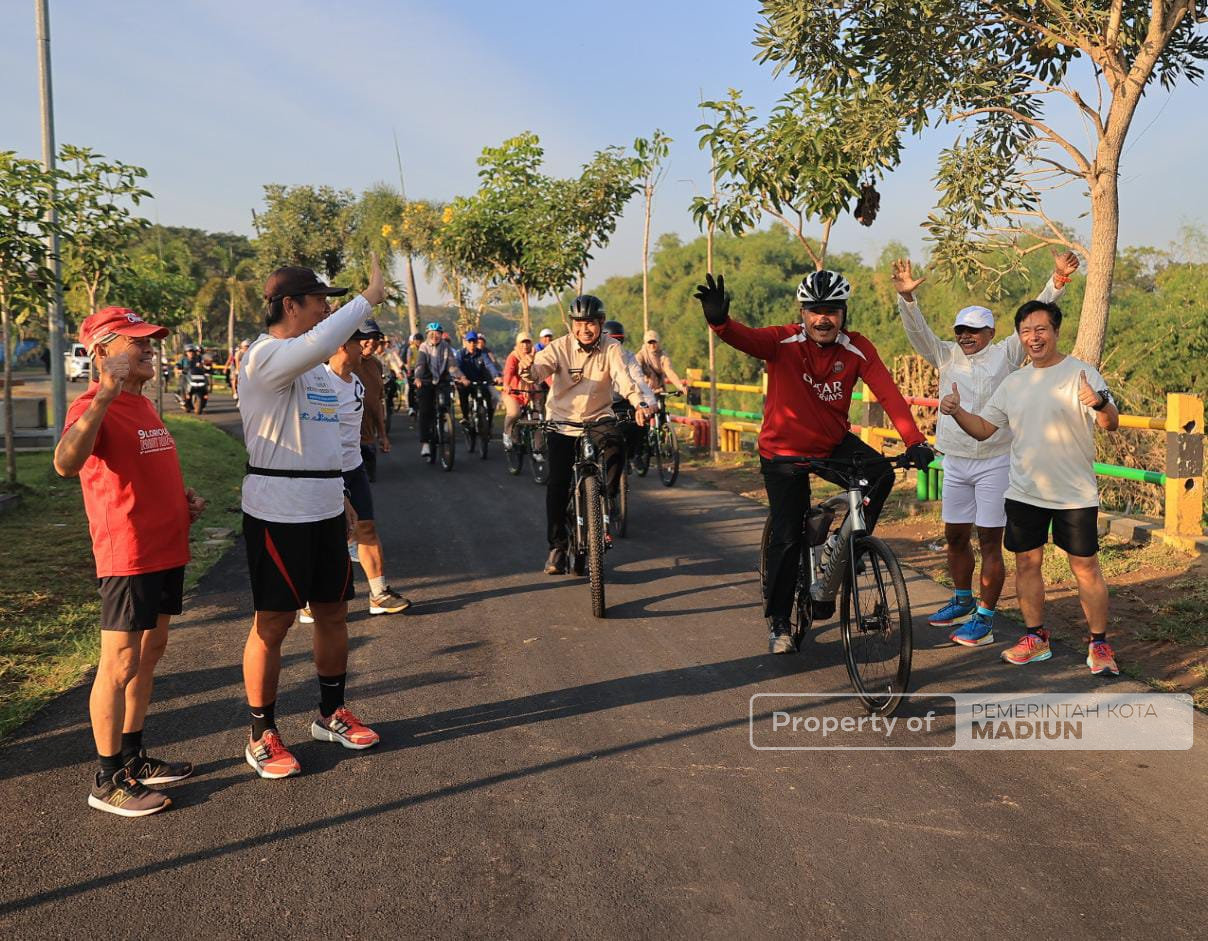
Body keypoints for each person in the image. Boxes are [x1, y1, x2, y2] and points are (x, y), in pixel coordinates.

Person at [696, 271, 933, 654]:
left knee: (880, 474)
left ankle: (848, 544)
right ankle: (779, 620)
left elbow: (888, 393)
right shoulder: (782, 341)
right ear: (803, 313)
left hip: (832, 443)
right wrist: (720, 321)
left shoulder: (856, 348)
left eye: (832, 311)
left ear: (844, 314)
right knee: (788, 537)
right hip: (783, 452)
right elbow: (744, 338)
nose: (823, 319)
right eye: (815, 311)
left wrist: (915, 440)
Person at [237, 256, 387, 779]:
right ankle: (261, 733)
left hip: (324, 506)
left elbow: (328, 440)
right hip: (277, 511)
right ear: (290, 305)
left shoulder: (318, 374)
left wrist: (342, 493)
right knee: (273, 623)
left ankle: (331, 713)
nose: (325, 309)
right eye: (319, 300)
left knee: (333, 612)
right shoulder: (263, 357)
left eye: (330, 302)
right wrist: (368, 297)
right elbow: (322, 341)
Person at [54, 307, 206, 816]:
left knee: (149, 653)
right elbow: (66, 463)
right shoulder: (92, 404)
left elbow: (140, 469)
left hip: (166, 547)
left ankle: (134, 755)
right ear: (103, 351)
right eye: (137, 341)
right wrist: (103, 394)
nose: (149, 348)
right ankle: (108, 778)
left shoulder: (142, 404)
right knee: (119, 662)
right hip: (129, 555)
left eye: (150, 340)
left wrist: (180, 502)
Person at [892, 252, 1079, 646]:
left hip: (996, 461)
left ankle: (985, 617)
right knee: (955, 536)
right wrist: (907, 298)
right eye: (961, 329)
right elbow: (917, 332)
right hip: (955, 461)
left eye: (974, 330)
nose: (966, 336)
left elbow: (1036, 317)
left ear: (991, 332)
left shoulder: (1006, 354)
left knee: (990, 540)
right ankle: (962, 600)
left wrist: (1057, 281)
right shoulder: (945, 355)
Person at [940, 300, 1122, 676]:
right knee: (1027, 563)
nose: (1033, 338)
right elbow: (984, 429)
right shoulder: (1014, 382)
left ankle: (1099, 644)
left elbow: (1110, 423)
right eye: (1026, 331)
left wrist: (1100, 402)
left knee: (1085, 567)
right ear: (1019, 337)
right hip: (1024, 491)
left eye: (1041, 330)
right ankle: (1035, 638)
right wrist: (956, 412)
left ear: (1055, 331)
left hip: (1073, 493)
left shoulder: (1081, 373)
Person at [519, 296, 651, 575]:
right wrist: (528, 368)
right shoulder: (559, 347)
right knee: (557, 485)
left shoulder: (612, 347)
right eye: (578, 323)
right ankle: (557, 546)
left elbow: (625, 378)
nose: (584, 329)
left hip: (598, 417)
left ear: (601, 323)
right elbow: (538, 371)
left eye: (590, 323)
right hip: (562, 422)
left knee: (616, 446)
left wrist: (639, 403)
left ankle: (604, 498)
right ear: (571, 324)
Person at [324, 324, 411, 615]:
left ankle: (379, 594)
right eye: (359, 342)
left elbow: (373, 408)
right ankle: (312, 602)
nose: (365, 347)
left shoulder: (357, 381)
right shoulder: (320, 382)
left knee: (367, 528)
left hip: (354, 466)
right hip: (327, 471)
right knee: (329, 537)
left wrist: (380, 436)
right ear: (341, 345)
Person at [413, 321, 469, 459]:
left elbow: (452, 366)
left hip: (443, 381)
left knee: (446, 401)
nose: (434, 336)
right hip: (426, 381)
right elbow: (420, 364)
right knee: (425, 411)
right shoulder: (423, 347)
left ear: (441, 335)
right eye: (431, 334)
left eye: (437, 333)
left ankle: (445, 421)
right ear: (427, 335)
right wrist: (418, 378)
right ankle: (425, 443)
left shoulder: (446, 347)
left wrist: (462, 377)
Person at [602, 320, 654, 460]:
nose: (615, 346)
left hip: (623, 400)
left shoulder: (629, 357)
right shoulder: (595, 357)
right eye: (612, 341)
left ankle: (634, 456)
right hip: (599, 403)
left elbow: (639, 380)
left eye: (619, 341)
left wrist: (648, 403)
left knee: (638, 422)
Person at [352, 318, 388, 483]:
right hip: (345, 443)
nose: (372, 341)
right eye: (367, 336)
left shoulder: (376, 365)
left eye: (376, 337)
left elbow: (377, 403)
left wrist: (382, 435)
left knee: (366, 488)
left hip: (367, 441)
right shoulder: (342, 362)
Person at [501, 332, 545, 449]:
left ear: (532, 343)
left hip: (531, 392)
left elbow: (545, 373)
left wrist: (554, 385)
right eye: (522, 343)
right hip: (513, 392)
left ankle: (538, 449)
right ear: (517, 344)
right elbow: (509, 372)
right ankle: (507, 433)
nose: (525, 346)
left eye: (528, 342)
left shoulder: (537, 356)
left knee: (539, 419)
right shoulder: (513, 357)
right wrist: (506, 384)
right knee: (514, 413)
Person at [455, 330, 500, 439]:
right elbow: (457, 367)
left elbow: (489, 365)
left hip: (479, 382)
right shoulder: (460, 354)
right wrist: (462, 378)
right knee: (463, 394)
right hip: (465, 382)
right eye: (469, 342)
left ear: (477, 342)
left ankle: (488, 423)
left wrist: (496, 376)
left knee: (488, 398)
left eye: (474, 342)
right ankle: (465, 417)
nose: (472, 344)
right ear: (465, 342)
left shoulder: (482, 354)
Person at [635, 330, 690, 397]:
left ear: (658, 342)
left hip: (659, 391)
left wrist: (680, 386)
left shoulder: (663, 356)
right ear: (645, 343)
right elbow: (635, 370)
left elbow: (669, 372)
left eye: (654, 342)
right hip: (644, 392)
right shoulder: (641, 355)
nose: (652, 345)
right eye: (650, 342)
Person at [403, 332, 423, 415]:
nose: (418, 342)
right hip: (412, 369)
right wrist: (408, 371)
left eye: (419, 340)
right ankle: (411, 407)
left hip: (421, 370)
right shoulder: (411, 348)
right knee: (411, 388)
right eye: (416, 340)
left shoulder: (423, 348)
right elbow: (408, 359)